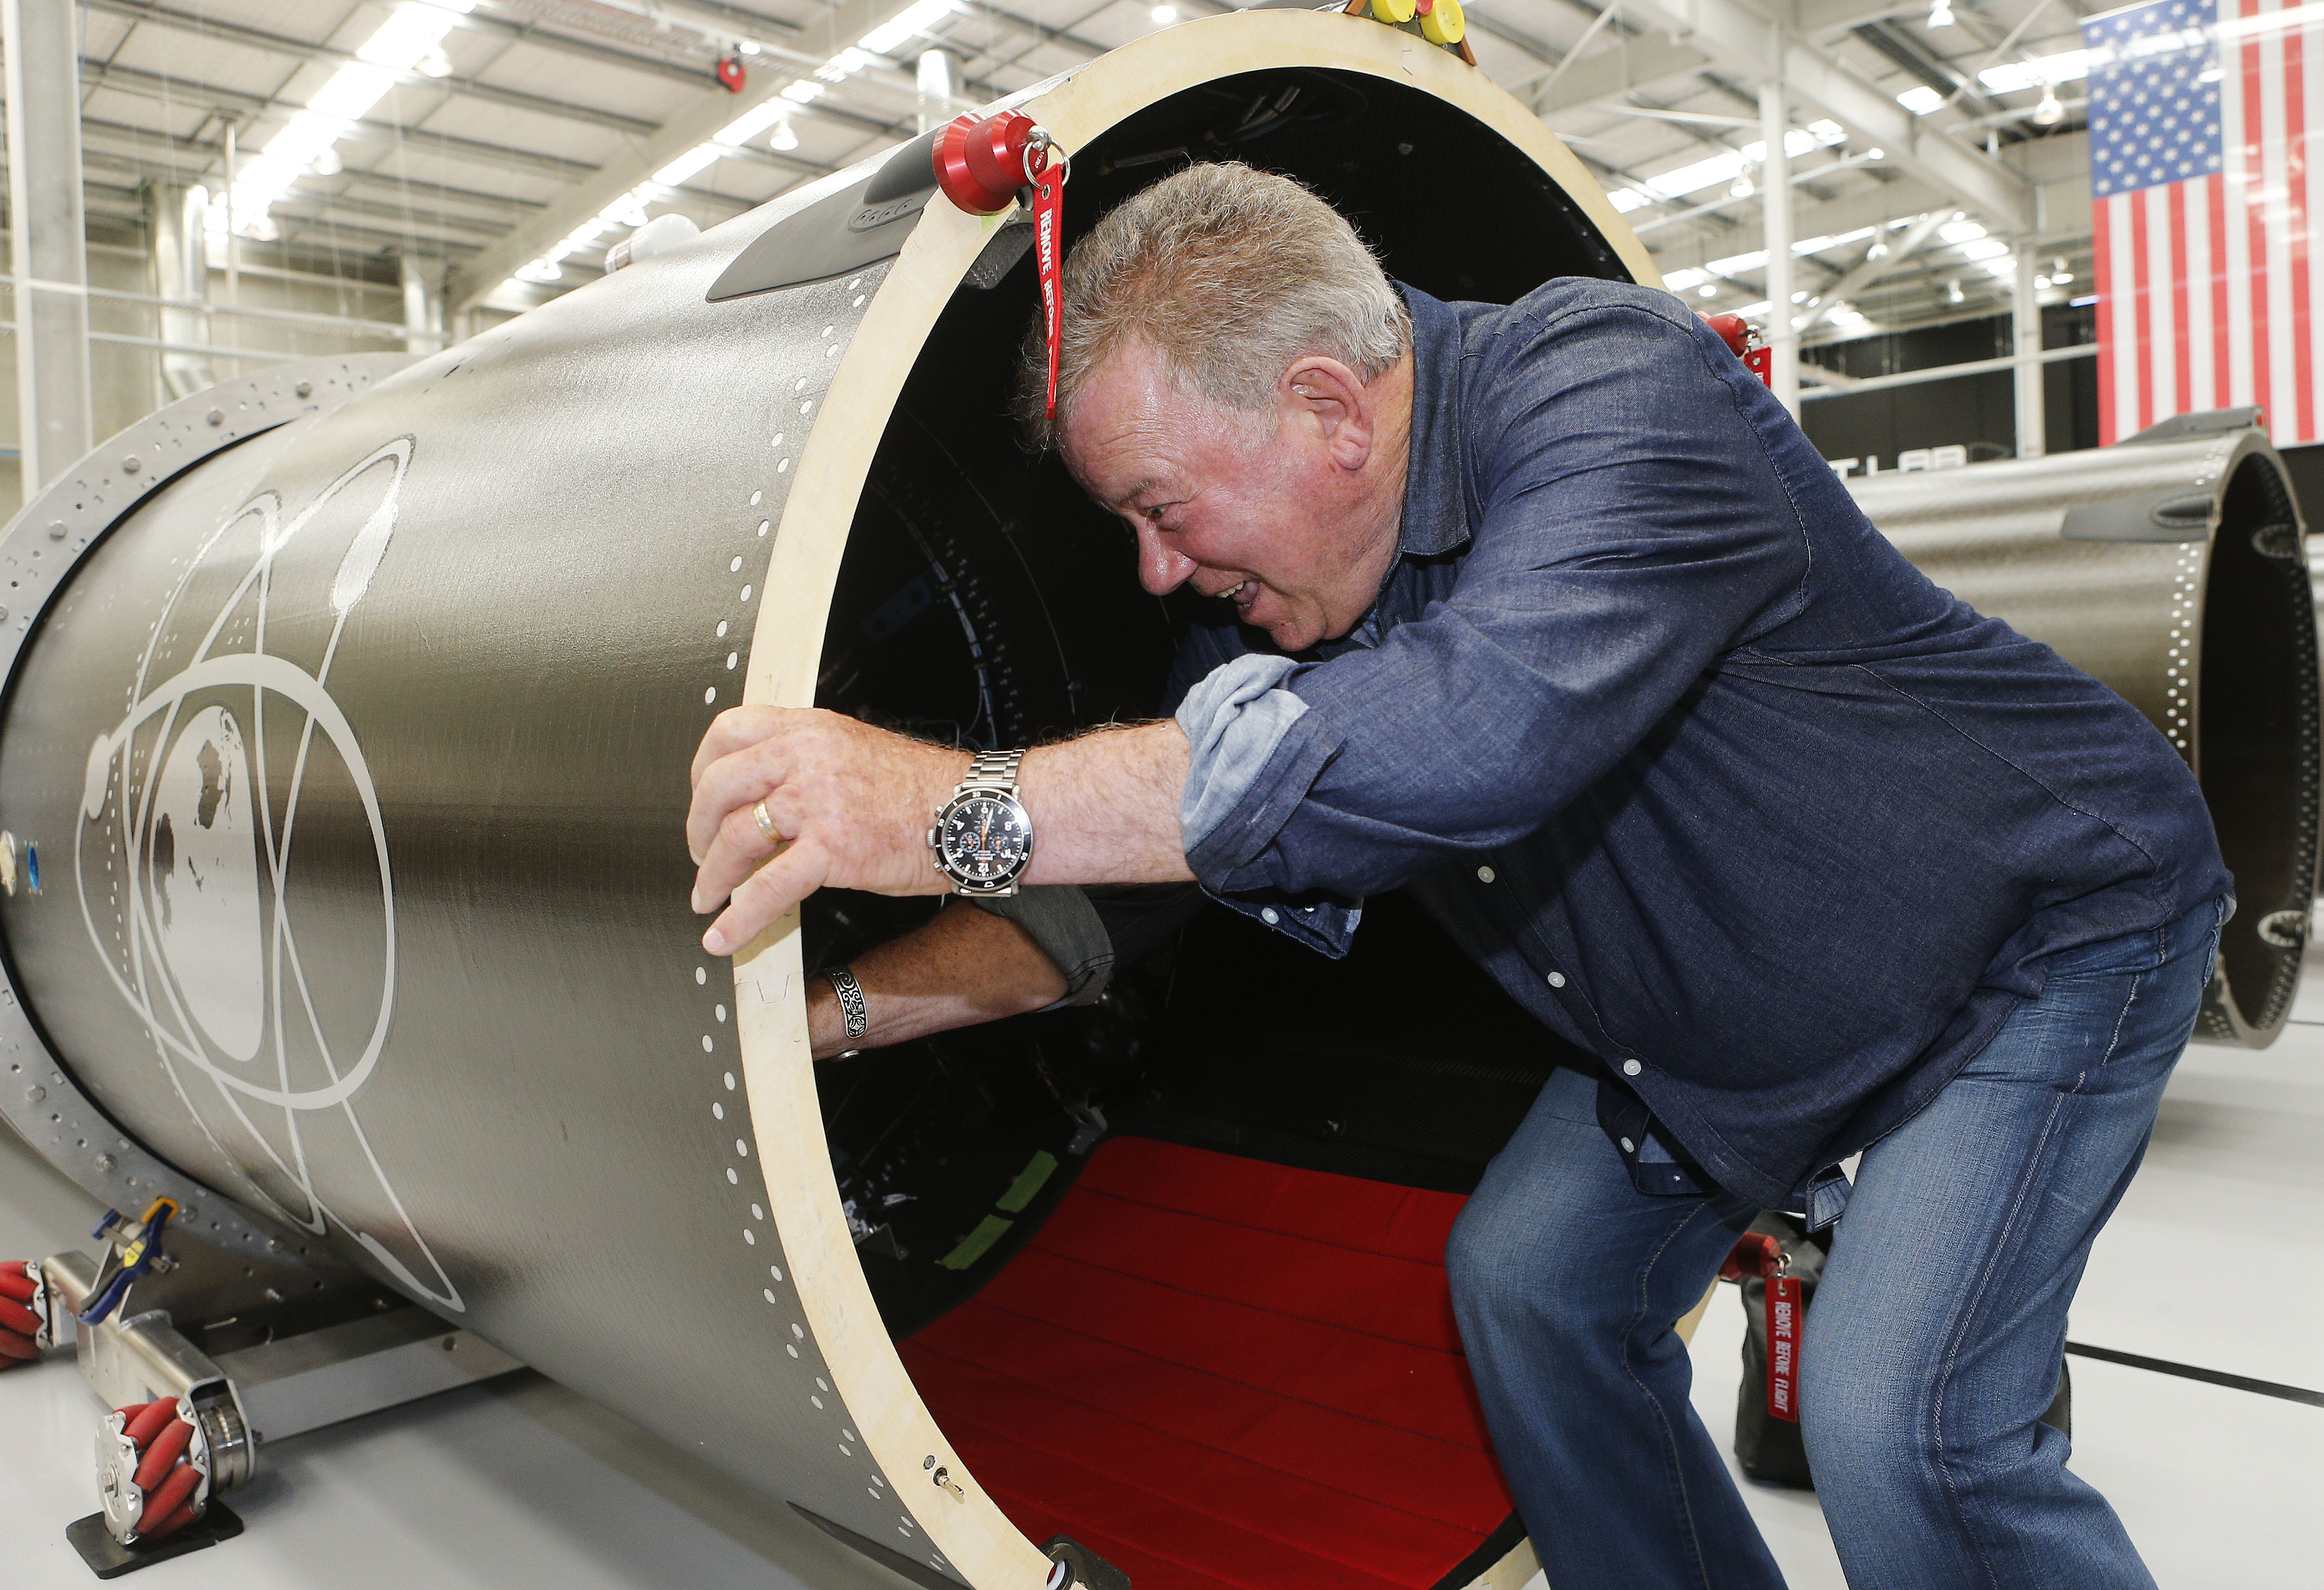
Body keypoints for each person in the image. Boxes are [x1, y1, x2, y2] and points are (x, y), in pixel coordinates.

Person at [685, 163, 2228, 1590]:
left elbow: (1477, 733)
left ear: (1325, 411)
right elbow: (1140, 886)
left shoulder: (1614, 389)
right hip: (1706, 1000)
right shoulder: (1266, 601)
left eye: (1161, 510)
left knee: (1901, 1424)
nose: (1157, 570)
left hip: (2027, 940)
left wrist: (955, 805)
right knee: (1531, 1287)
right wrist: (828, 1016)